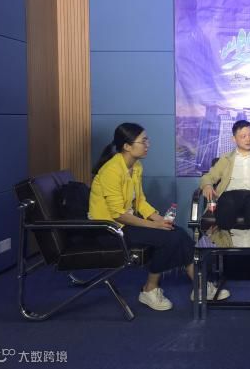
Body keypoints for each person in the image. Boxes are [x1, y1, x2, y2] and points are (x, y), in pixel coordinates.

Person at [89, 122, 230, 311]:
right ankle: (149, 289)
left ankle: (200, 286)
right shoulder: (111, 170)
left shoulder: (135, 166)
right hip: (109, 230)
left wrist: (159, 220)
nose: (148, 145)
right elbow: (118, 214)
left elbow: (140, 202)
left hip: (126, 224)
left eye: (147, 140)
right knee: (170, 239)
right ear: (127, 146)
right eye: (143, 141)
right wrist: (154, 226)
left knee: (178, 233)